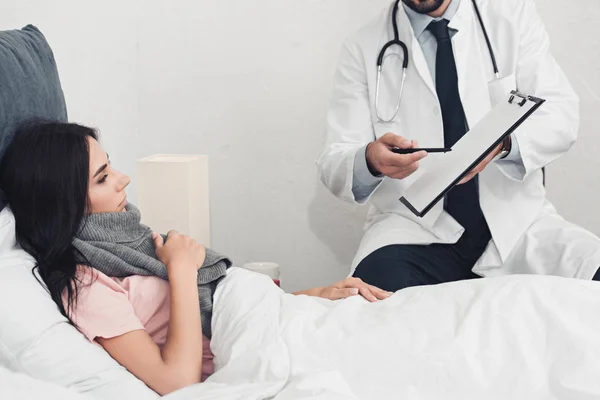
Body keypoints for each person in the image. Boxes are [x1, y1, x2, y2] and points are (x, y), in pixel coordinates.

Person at [0, 122, 391, 396]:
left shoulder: (125, 243)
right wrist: (182, 270)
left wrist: (312, 296)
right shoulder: (87, 286)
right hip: (263, 349)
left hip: (279, 319)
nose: (123, 179)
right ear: (63, 203)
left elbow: (224, 304)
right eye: (102, 177)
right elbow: (177, 382)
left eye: (110, 165)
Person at [317, 0, 600, 292]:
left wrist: (503, 144)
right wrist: (370, 160)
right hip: (412, 231)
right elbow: (334, 159)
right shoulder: (363, 46)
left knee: (593, 272)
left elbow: (561, 116)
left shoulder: (511, 17)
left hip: (517, 224)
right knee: (370, 298)